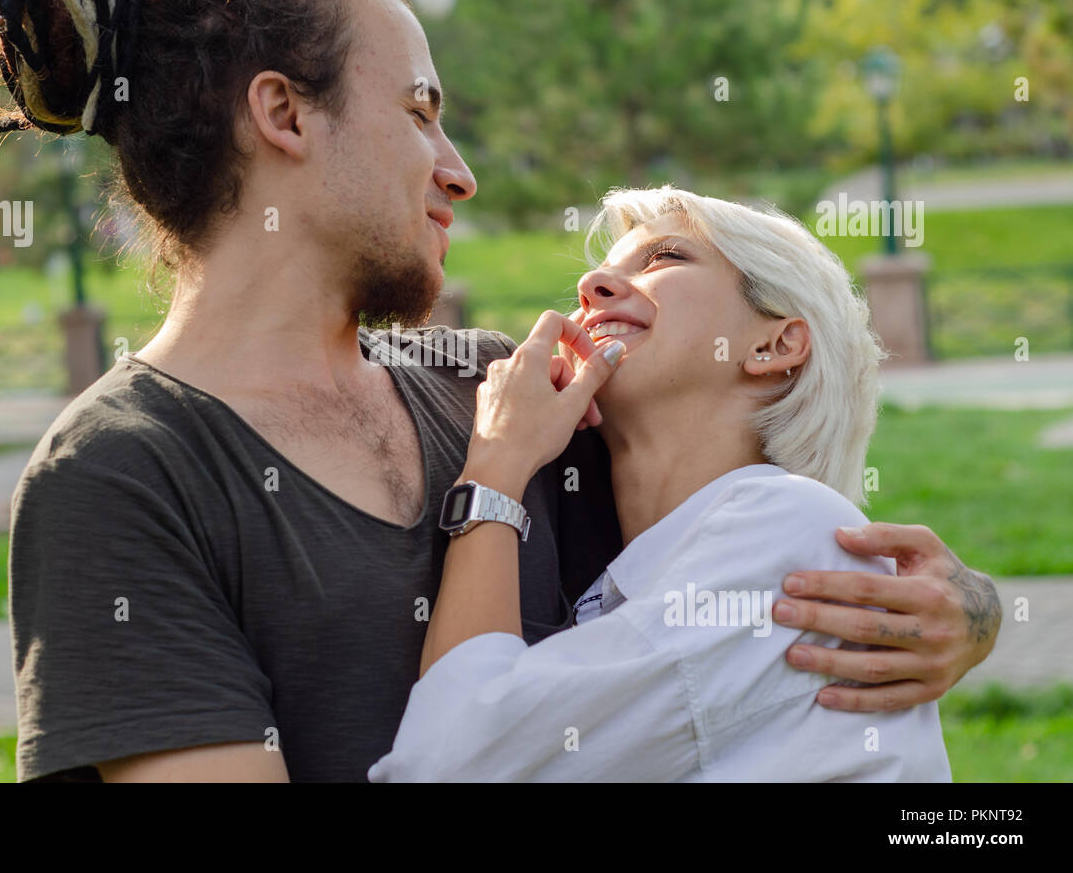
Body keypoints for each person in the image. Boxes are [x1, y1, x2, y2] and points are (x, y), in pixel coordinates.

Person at [0, 0, 1000, 783]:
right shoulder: (123, 475)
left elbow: (738, 540)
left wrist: (958, 611)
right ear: (284, 114)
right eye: (421, 110)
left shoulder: (507, 395)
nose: (458, 169)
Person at [369, 187, 955, 781]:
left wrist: (495, 464)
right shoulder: (623, 571)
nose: (593, 284)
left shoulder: (789, 531)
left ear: (774, 345)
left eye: (664, 258)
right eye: (604, 269)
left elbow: (450, 765)